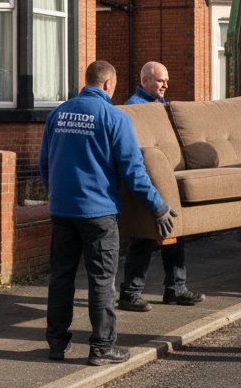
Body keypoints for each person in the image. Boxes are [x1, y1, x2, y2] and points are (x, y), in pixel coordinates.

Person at [40, 60, 178, 365]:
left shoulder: (58, 113)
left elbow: (45, 163)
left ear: (86, 81)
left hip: (62, 211)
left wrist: (57, 196)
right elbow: (133, 171)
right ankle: (102, 347)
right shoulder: (114, 117)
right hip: (99, 213)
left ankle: (56, 345)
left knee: (61, 277)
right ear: (108, 85)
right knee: (101, 280)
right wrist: (158, 206)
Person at [118, 62, 206, 312]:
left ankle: (175, 289)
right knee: (144, 237)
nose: (166, 85)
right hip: (147, 181)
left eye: (167, 80)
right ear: (144, 81)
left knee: (174, 231)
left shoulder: (163, 106)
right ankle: (130, 294)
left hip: (168, 179)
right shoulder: (134, 108)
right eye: (160, 81)